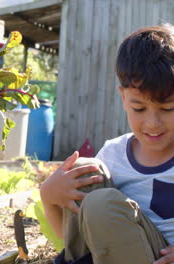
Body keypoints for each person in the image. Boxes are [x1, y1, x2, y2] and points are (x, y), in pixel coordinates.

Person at [40, 24, 173, 264]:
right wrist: (48, 197)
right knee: (85, 171)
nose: (153, 123)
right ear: (123, 98)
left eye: (168, 109)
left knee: (101, 203)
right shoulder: (113, 155)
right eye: (139, 108)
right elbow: (74, 238)